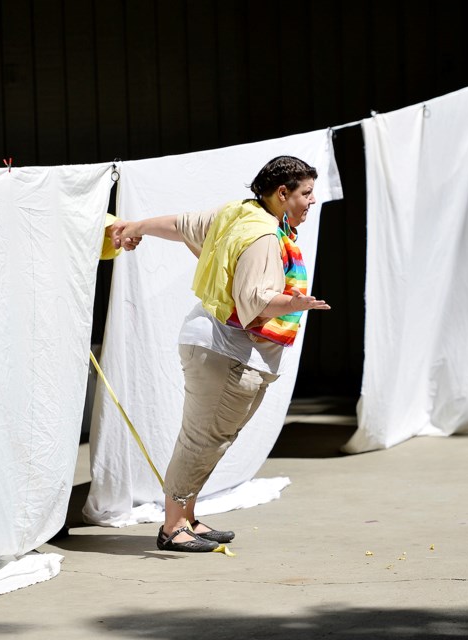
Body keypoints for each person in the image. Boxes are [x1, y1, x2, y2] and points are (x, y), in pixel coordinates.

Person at [106, 155, 330, 552]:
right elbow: (254, 303)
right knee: (202, 440)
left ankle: (187, 517)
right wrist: (300, 303)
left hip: (213, 344)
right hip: (226, 352)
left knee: (210, 438)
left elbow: (181, 225)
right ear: (282, 194)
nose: (312, 201)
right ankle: (173, 527)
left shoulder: (239, 213)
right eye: (306, 193)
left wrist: (135, 227)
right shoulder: (263, 237)